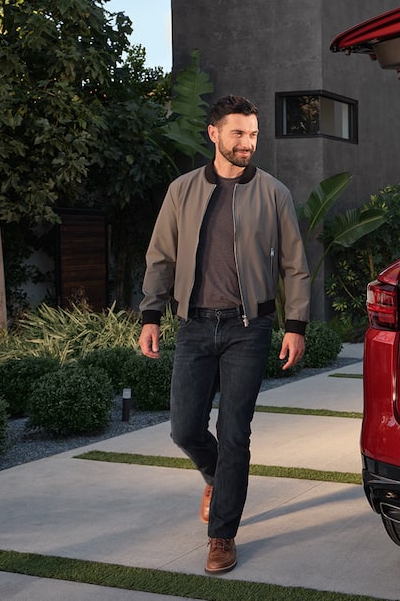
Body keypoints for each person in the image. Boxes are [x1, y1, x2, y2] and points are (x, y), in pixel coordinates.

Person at [138, 95, 311, 575]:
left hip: (248, 328)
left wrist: (295, 326)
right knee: (184, 428)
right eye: (238, 133)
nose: (247, 143)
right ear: (214, 134)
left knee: (235, 434)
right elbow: (161, 258)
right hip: (193, 326)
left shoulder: (273, 192)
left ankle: (222, 536)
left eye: (253, 134)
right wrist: (150, 315)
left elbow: (296, 265)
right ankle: (217, 478)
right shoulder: (183, 191)